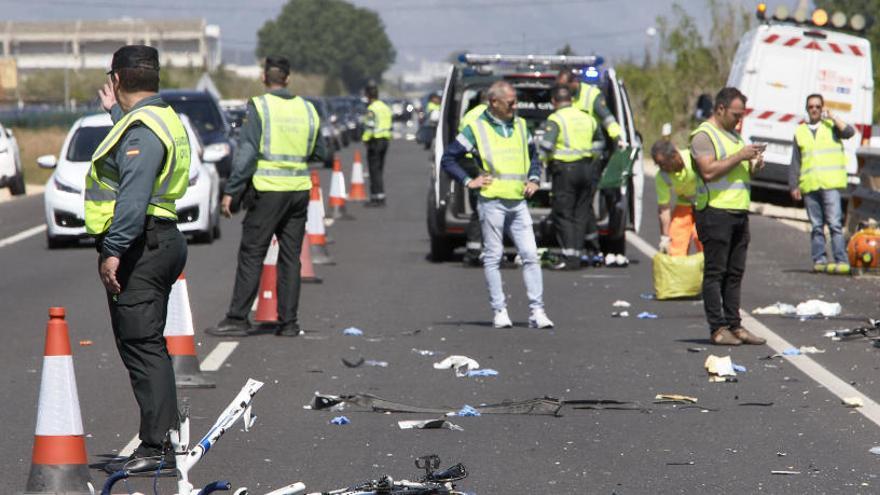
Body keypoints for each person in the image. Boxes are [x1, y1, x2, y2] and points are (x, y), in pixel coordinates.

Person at [86, 45, 190, 473]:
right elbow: (136, 149)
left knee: (142, 346)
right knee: (147, 345)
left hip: (141, 245)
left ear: (117, 78)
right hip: (160, 239)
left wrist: (113, 250)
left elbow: (133, 195)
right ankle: (163, 437)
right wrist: (115, 113)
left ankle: (157, 446)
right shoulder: (156, 117)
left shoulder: (144, 127)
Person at [207, 55, 326, 338]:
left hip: (269, 191)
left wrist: (232, 191)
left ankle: (237, 318)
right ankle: (289, 323)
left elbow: (247, 154)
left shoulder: (260, 106)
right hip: (298, 191)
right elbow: (320, 152)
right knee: (290, 257)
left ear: (264, 78)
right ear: (287, 78)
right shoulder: (307, 109)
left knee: (252, 253)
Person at [440, 80, 554, 329]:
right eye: (510, 102)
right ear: (494, 102)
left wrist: (534, 178)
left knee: (531, 256)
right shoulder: (476, 129)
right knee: (493, 257)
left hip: (518, 202)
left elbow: (533, 156)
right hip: (492, 202)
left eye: (515, 101)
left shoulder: (522, 126)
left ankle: (537, 311)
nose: (515, 106)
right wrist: (469, 181)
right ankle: (500, 311)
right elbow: (448, 158)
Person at [690, 87, 766, 346]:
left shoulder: (734, 136)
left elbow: (738, 172)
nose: (739, 120)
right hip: (714, 212)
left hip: (738, 212)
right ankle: (717, 327)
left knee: (735, 272)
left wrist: (753, 164)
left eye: (742, 115)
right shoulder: (703, 136)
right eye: (735, 114)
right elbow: (709, 171)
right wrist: (741, 155)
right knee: (715, 272)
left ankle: (735, 325)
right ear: (720, 109)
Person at [556, 67, 625, 257]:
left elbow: (607, 119)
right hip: (569, 159)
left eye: (564, 86)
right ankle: (582, 245)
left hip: (591, 158)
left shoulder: (590, 95)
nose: (562, 91)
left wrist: (618, 138)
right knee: (578, 205)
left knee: (584, 204)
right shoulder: (565, 98)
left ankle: (590, 245)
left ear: (574, 82)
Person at [789, 93, 855, 274]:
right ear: (807, 109)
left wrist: (832, 115)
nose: (815, 110)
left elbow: (849, 132)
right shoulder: (800, 131)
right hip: (810, 185)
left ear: (822, 107)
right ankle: (820, 260)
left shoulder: (831, 126)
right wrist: (793, 185)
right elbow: (796, 161)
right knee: (817, 226)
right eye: (811, 107)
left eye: (818, 106)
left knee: (834, 223)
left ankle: (841, 260)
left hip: (830, 184)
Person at [538, 85, 601, 270]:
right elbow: (599, 143)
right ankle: (578, 254)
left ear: (553, 102)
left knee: (563, 213)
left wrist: (542, 164)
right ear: (572, 100)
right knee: (581, 213)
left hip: (565, 170)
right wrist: (592, 160)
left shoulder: (556, 119)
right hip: (587, 168)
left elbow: (547, 146)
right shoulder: (588, 118)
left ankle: (570, 256)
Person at [651, 140, 702, 256]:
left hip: (705, 203)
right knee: (676, 240)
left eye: (663, 163)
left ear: (675, 156)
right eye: (658, 165)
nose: (661, 168)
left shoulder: (693, 159)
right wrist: (665, 237)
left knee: (702, 237)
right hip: (685, 203)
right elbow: (664, 208)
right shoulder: (662, 176)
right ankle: (678, 270)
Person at [459, 92, 488, 266]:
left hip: (468, 162)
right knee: (483, 208)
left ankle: (474, 250)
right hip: (480, 164)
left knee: (478, 207)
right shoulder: (488, 115)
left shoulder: (470, 114)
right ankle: (475, 252)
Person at [362, 82, 392, 206]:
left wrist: (365, 138)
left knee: (374, 170)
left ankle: (377, 197)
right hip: (385, 140)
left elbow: (370, 126)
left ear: (368, 95)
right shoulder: (385, 107)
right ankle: (378, 195)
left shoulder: (372, 109)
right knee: (379, 169)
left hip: (375, 141)